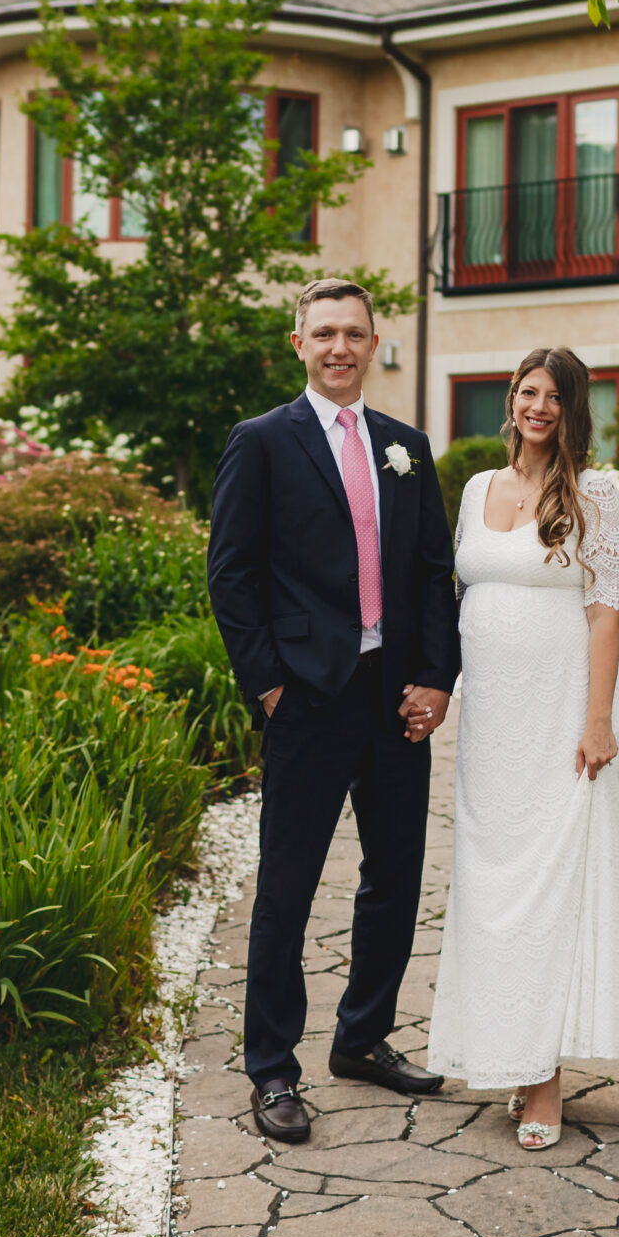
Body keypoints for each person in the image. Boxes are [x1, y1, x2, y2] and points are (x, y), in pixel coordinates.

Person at [207, 278, 461, 1145]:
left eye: (355, 332)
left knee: (394, 874)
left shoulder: (407, 446)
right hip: (308, 699)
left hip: (394, 699)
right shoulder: (261, 442)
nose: (340, 346)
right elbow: (231, 575)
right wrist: (269, 685)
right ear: (299, 344)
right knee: (287, 885)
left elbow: (433, 571)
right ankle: (272, 1067)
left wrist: (436, 678)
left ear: (376, 341)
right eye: (325, 333)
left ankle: (362, 1038)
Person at [426, 346, 619, 1150]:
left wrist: (597, 720)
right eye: (527, 390)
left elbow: (604, 612)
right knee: (491, 891)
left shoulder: (597, 497)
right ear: (510, 400)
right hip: (490, 729)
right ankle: (510, 1054)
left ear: (573, 408)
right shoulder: (479, 487)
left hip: (558, 722)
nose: (538, 405)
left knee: (549, 891)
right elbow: (462, 594)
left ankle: (545, 1077)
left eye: (554, 395)